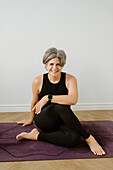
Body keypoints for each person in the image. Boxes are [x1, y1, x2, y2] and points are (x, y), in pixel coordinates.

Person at [16, 47, 105, 156]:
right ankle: (88, 138)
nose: (54, 68)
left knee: (74, 139)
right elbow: (34, 101)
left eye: (58, 64)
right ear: (45, 65)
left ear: (62, 65)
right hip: (44, 119)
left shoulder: (70, 79)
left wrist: (47, 97)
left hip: (62, 120)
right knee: (60, 106)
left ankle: (36, 136)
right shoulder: (38, 81)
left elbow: (73, 100)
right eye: (51, 64)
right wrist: (30, 119)